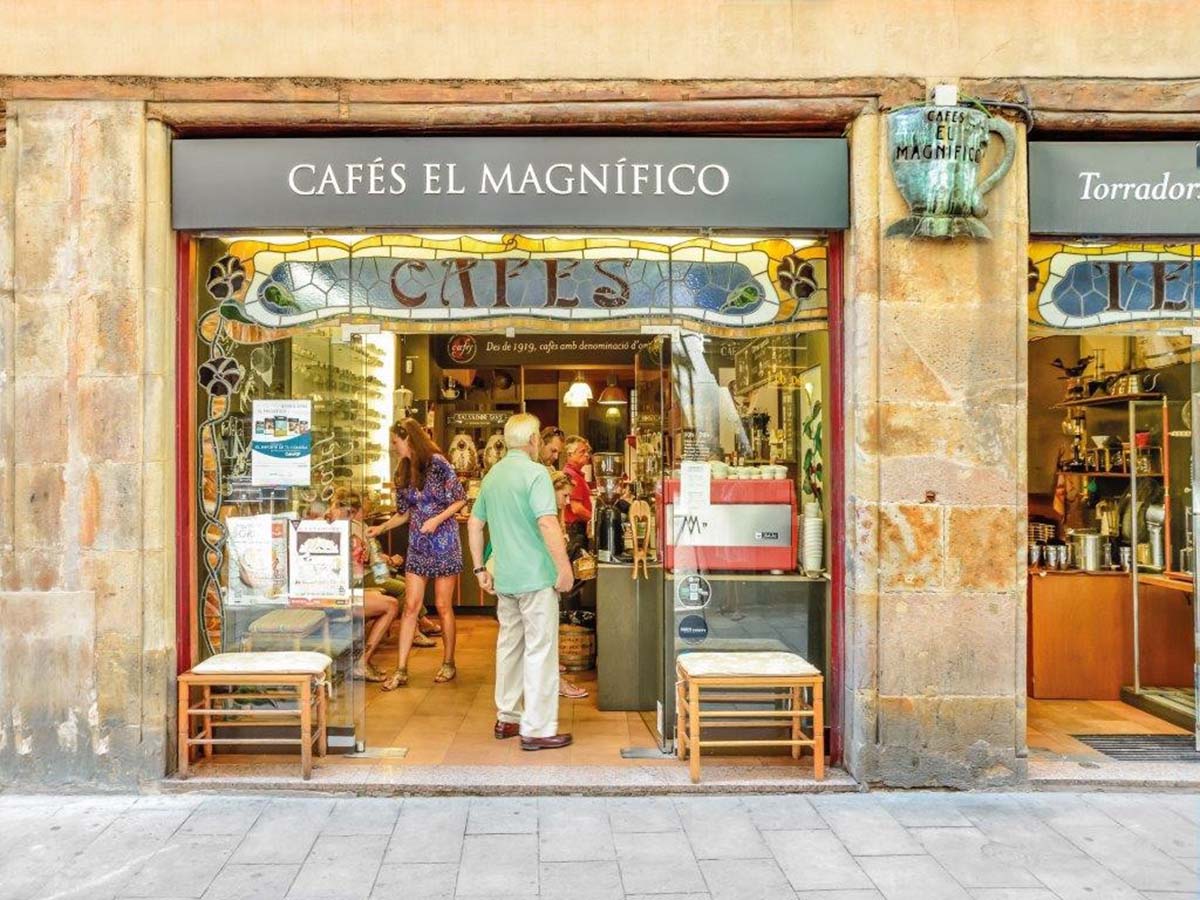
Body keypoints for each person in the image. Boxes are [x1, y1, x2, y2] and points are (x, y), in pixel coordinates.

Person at [468, 413, 575, 751]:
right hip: (536, 576)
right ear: (532, 440)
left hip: (505, 578)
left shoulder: (493, 475)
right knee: (541, 650)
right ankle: (538, 728)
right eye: (539, 438)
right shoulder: (536, 474)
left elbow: (474, 524)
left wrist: (479, 569)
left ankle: (508, 717)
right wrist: (564, 568)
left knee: (509, 647)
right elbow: (547, 523)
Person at [369, 419, 466, 688]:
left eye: (395, 442)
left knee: (443, 605)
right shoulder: (402, 470)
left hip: (445, 543)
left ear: (409, 439)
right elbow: (404, 513)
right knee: (411, 606)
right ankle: (401, 669)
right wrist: (381, 528)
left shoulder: (438, 464)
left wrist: (436, 519)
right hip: (418, 545)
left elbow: (460, 498)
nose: (393, 447)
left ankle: (448, 662)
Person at [328, 487, 400, 682]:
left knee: (391, 597)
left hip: (344, 589)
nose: (351, 516)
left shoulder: (344, 528)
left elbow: (366, 561)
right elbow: (364, 563)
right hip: (335, 595)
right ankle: (361, 663)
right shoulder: (343, 530)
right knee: (393, 601)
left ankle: (361, 660)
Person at [550, 469, 589, 700]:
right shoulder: (545, 516)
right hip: (544, 578)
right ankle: (556, 682)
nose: (567, 501)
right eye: (564, 495)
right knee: (544, 633)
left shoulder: (556, 513)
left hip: (545, 578)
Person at [561, 435, 593, 547]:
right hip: (575, 530)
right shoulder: (571, 475)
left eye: (587, 451)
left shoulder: (576, 474)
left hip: (577, 528)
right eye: (582, 451)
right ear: (570, 454)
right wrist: (595, 519)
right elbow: (576, 508)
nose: (587, 454)